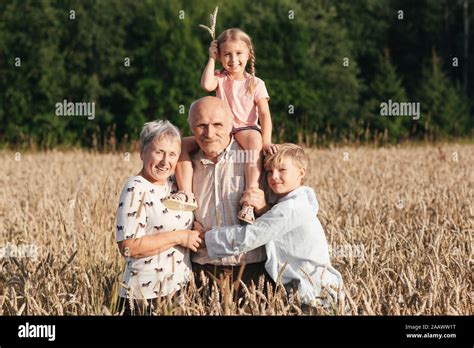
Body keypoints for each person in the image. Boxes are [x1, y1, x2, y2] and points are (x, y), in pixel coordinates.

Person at [201, 144, 344, 310]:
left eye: (282, 170)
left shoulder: (291, 207)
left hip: (314, 293)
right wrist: (264, 209)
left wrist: (205, 238)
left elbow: (250, 236)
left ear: (301, 173)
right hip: (306, 289)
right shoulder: (294, 202)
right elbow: (278, 224)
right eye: (269, 171)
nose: (274, 176)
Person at [163, 28, 280, 224]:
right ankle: (186, 193)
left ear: (249, 54)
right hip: (221, 129)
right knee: (181, 144)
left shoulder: (256, 83)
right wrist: (210, 58)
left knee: (254, 141)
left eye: (238, 53)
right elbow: (206, 86)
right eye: (227, 54)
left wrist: (266, 141)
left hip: (245, 129)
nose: (233, 59)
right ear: (220, 56)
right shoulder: (220, 77)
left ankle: (250, 197)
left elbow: (265, 115)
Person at [185, 96, 273, 288]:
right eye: (201, 125)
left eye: (218, 124)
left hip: (252, 267)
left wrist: (264, 208)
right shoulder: (182, 164)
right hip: (202, 268)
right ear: (191, 128)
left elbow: (287, 213)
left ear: (231, 124)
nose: (209, 133)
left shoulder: (256, 158)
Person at [115, 120, 201, 315]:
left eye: (172, 154)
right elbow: (128, 247)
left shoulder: (174, 184)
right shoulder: (135, 188)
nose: (165, 162)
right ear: (142, 152)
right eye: (159, 152)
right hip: (144, 297)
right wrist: (180, 237)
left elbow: (196, 142)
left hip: (180, 289)